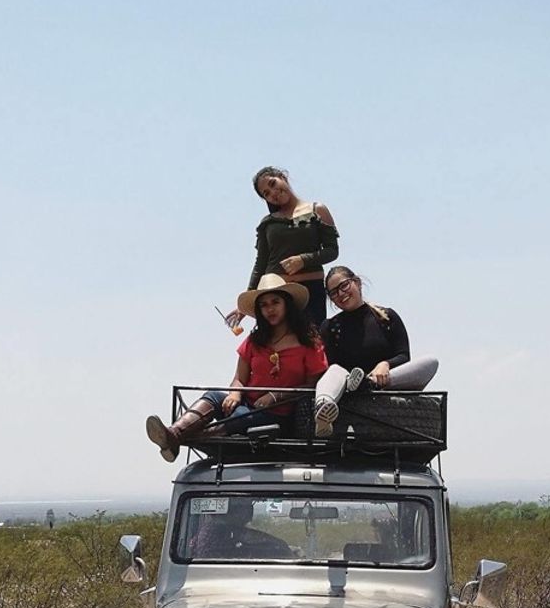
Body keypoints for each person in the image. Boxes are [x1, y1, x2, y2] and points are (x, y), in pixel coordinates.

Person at [146, 274, 328, 461]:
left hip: (280, 413)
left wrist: (275, 396)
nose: (270, 309)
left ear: (287, 304)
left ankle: (175, 440)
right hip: (248, 404)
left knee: (241, 416)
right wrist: (235, 394)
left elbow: (313, 386)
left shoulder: (308, 342)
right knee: (214, 396)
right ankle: (174, 432)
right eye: (264, 305)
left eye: (275, 302)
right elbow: (239, 378)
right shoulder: (254, 340)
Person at [313, 266, 439, 437]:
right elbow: (331, 364)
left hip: (386, 382)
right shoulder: (330, 327)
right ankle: (323, 408)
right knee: (335, 371)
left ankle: (368, 383)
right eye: (333, 293)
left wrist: (385, 365)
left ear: (357, 283)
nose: (341, 294)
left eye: (344, 286)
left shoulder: (386, 317)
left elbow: (404, 355)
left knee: (431, 362)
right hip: (346, 384)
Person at [225, 166, 339, 328]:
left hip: (310, 293)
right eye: (266, 194)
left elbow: (332, 251)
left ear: (282, 177)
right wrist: (247, 302)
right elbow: (261, 263)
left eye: (272, 184)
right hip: (274, 294)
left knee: (312, 345)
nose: (273, 193)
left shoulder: (317, 210)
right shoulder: (268, 223)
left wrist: (303, 260)